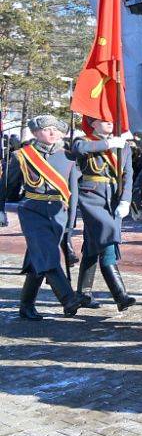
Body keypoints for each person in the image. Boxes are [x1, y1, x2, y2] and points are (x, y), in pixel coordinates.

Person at [0, 115, 83, 319]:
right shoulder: (22, 156)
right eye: (47, 129)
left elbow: (73, 192)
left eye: (55, 129)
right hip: (32, 211)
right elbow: (7, 187)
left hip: (58, 212)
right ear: (36, 132)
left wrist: (70, 225)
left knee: (38, 257)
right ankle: (68, 297)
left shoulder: (68, 157)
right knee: (47, 253)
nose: (52, 132)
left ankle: (26, 306)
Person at [72, 116, 136, 311]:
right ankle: (120, 295)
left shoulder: (123, 146)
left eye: (111, 120)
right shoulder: (84, 141)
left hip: (113, 197)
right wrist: (107, 144)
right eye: (104, 120)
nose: (111, 122)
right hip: (91, 196)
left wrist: (126, 199)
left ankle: (83, 293)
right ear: (92, 123)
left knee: (93, 243)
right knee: (108, 237)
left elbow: (128, 175)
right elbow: (78, 150)